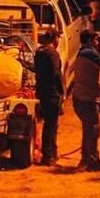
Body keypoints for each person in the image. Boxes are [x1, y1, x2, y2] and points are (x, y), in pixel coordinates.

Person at [72, 29, 100, 170]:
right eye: (97, 39)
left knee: (89, 129)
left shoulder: (83, 53)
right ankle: (90, 161)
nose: (99, 42)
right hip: (87, 98)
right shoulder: (89, 53)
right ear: (91, 40)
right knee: (92, 130)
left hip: (81, 97)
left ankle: (89, 159)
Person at [33, 29, 64, 166]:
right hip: (52, 93)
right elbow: (55, 74)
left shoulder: (39, 52)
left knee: (49, 124)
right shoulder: (52, 54)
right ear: (55, 38)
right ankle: (48, 156)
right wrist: (61, 91)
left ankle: (53, 153)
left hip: (42, 91)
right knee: (51, 125)